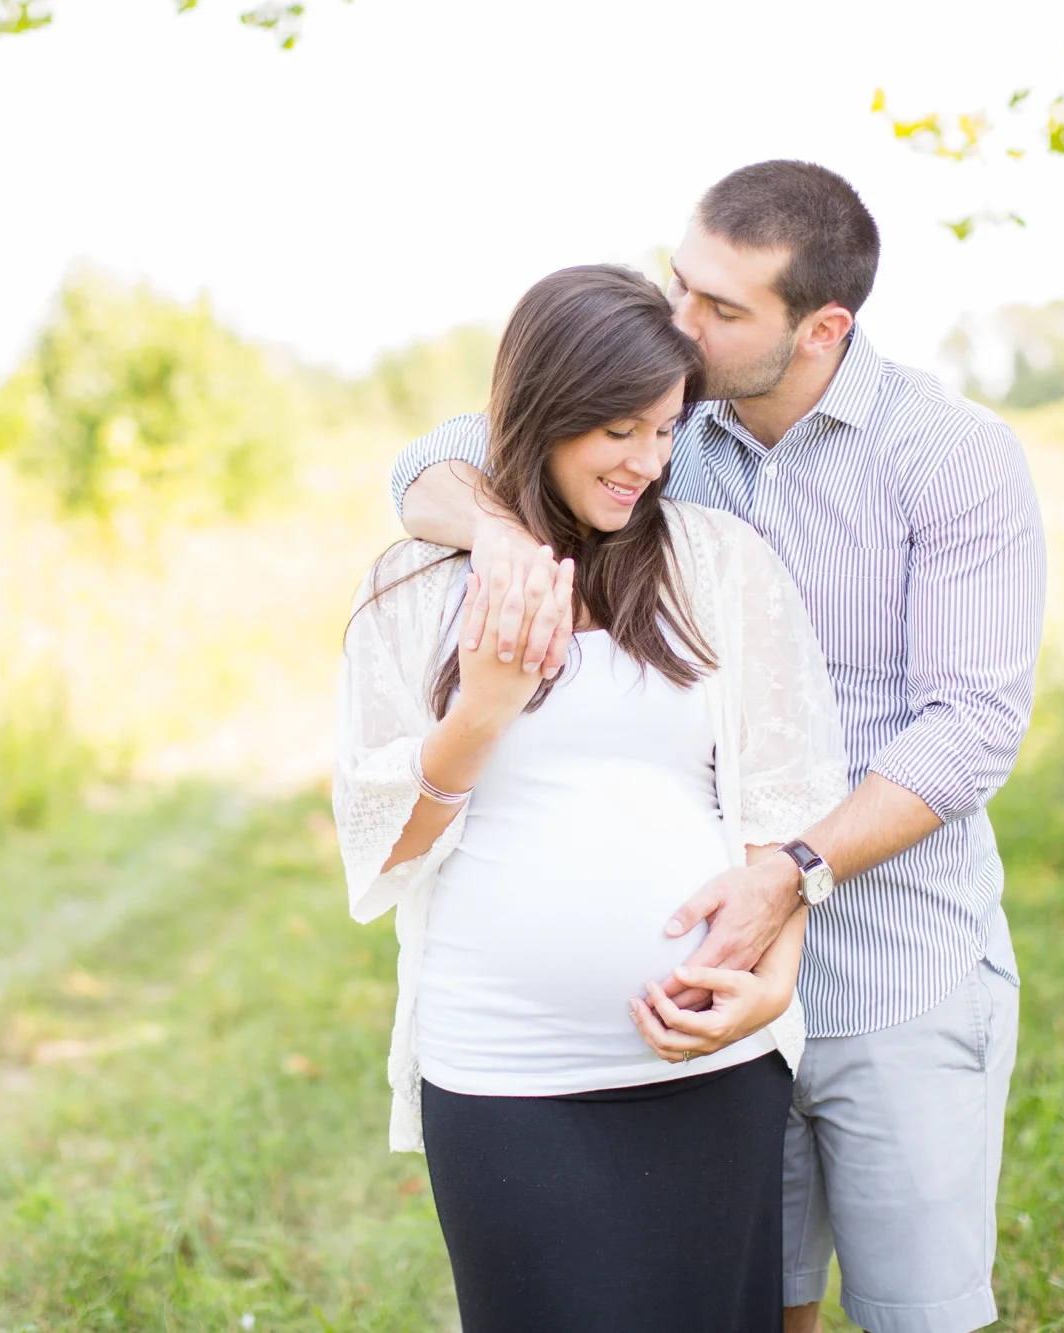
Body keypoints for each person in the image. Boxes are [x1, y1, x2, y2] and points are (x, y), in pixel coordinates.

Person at [388, 161, 1046, 1333]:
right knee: (759, 1310)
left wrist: (788, 872)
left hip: (889, 971)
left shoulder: (950, 458)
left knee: (917, 1316)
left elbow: (971, 729)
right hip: (700, 1023)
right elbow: (427, 463)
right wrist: (494, 539)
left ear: (819, 329)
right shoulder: (663, 427)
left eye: (720, 310)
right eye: (677, 285)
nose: (677, 328)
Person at [332, 263, 849, 1333]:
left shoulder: (718, 564)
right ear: (540, 412)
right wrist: (481, 712)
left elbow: (789, 812)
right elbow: (379, 851)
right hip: (503, 1075)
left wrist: (774, 987)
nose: (648, 463)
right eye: (618, 430)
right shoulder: (415, 589)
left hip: (711, 1064)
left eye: (665, 430)